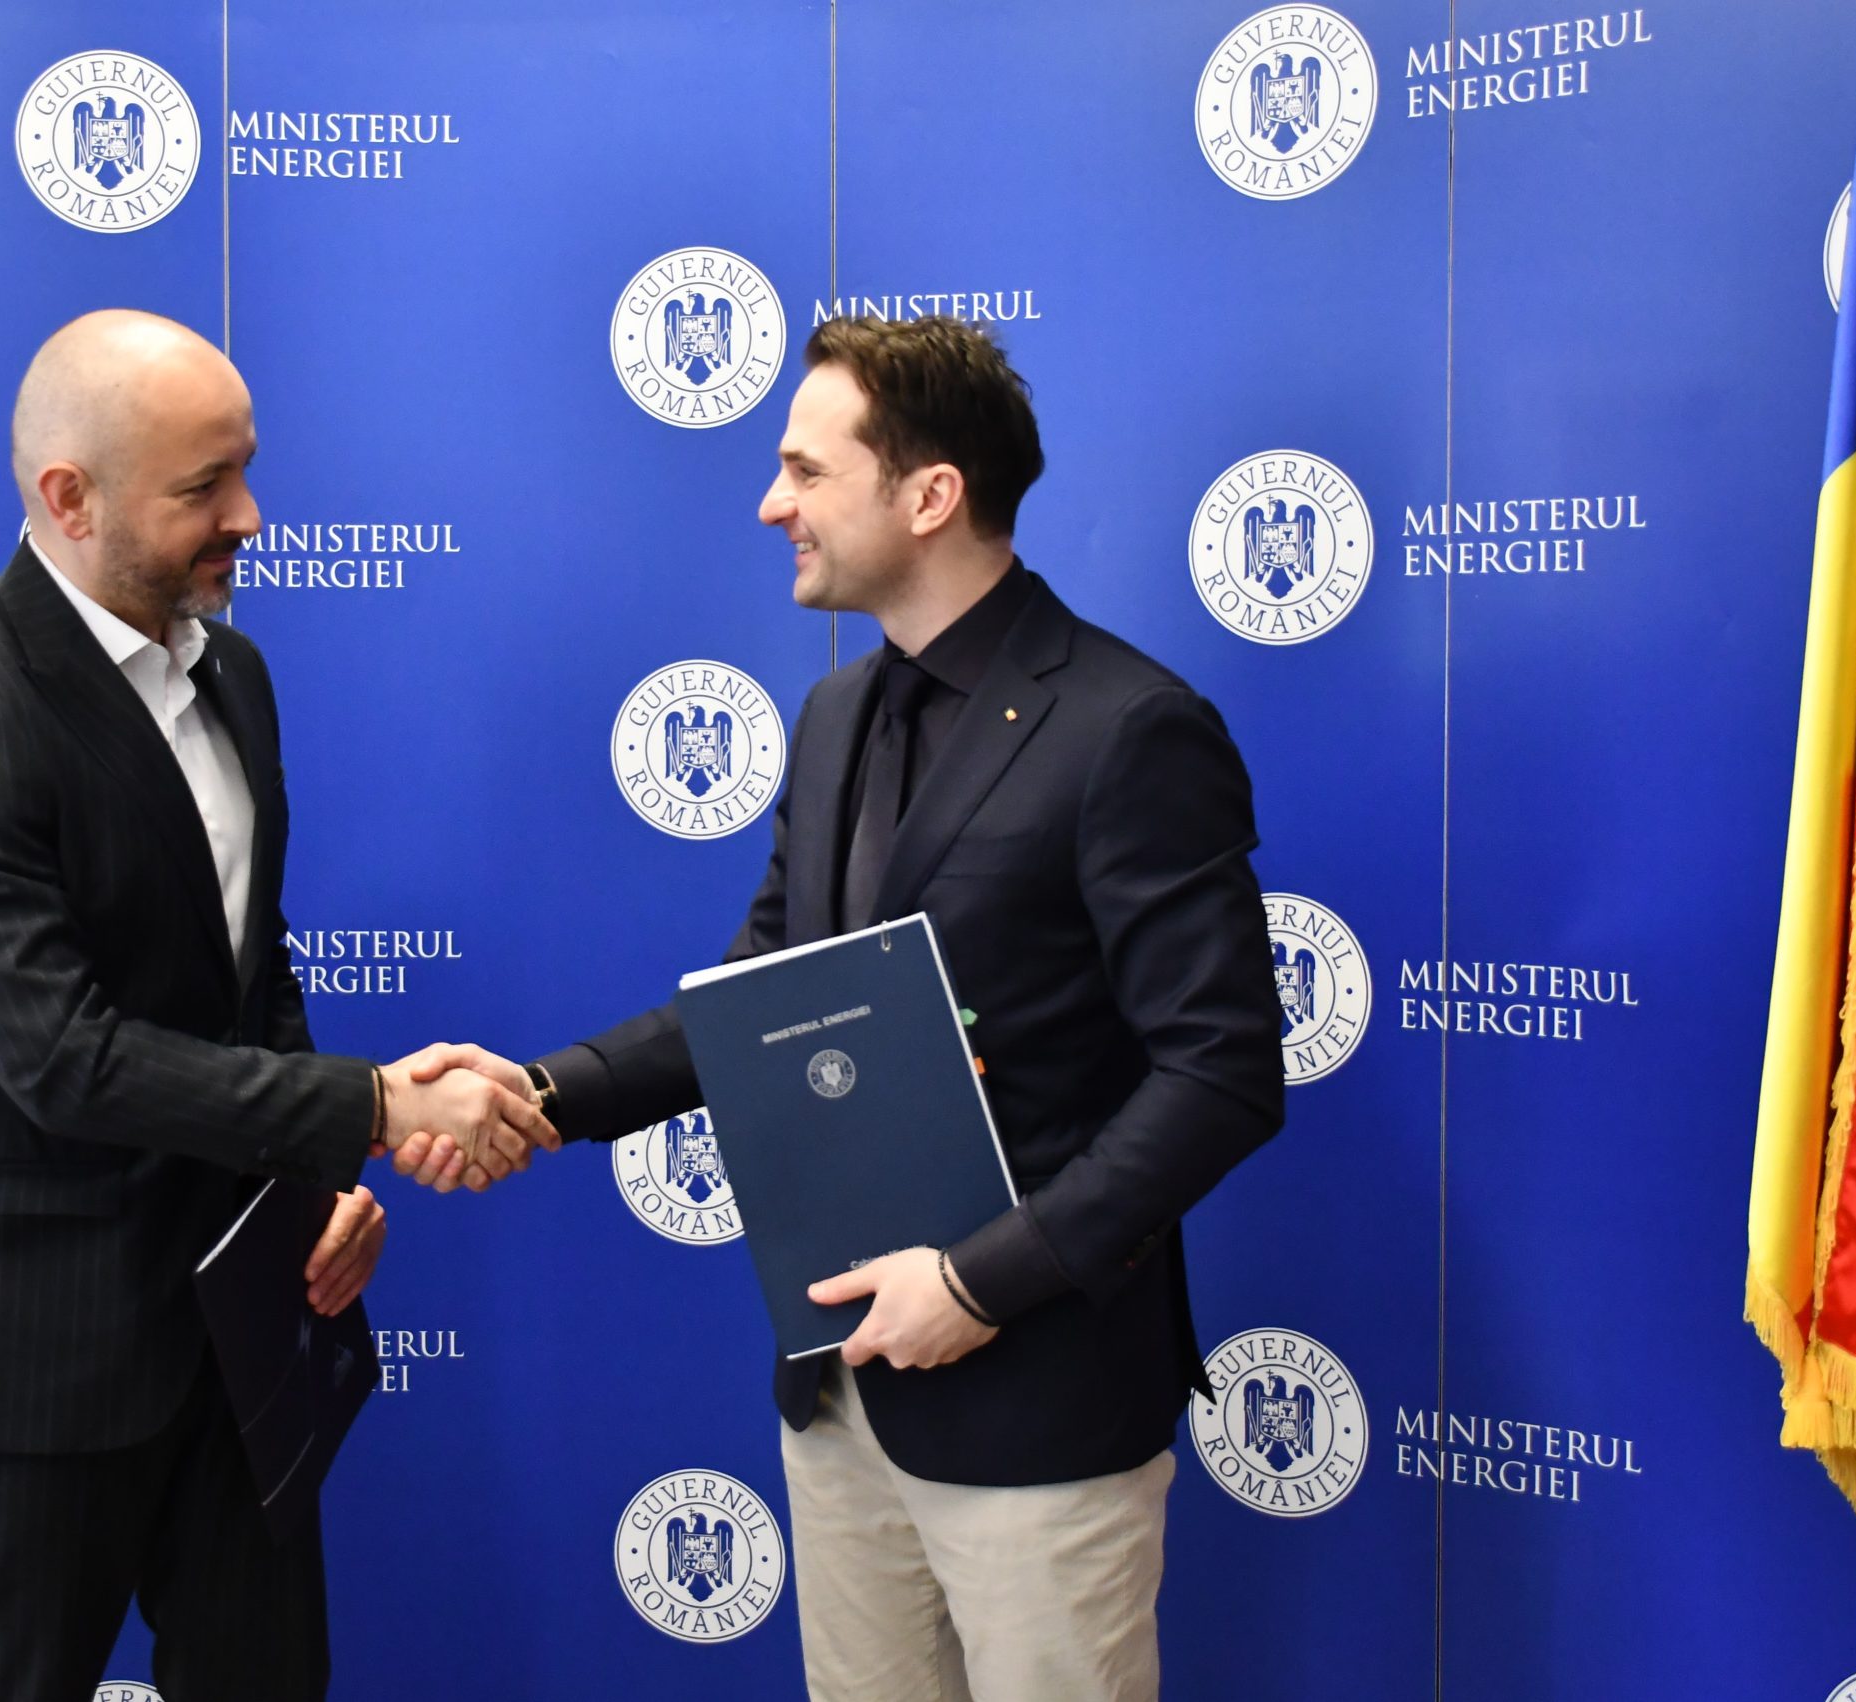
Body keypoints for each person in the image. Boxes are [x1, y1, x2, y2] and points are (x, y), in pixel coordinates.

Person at [398, 316, 1285, 1701]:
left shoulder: (1128, 727)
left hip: (1041, 1409)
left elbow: (1222, 1073)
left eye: (807, 471)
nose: (773, 504)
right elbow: (762, 997)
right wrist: (541, 1094)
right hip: (839, 1396)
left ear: (930, 495)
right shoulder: (833, 717)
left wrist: (982, 1282)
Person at [0, 309, 553, 1702]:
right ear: (70, 498)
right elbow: (61, 1060)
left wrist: (316, 1187)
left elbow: (249, 969)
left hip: (243, 1345)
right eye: (203, 488)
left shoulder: (234, 672)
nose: (250, 517)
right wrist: (370, 1106)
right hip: (29, 1357)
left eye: (246, 468)